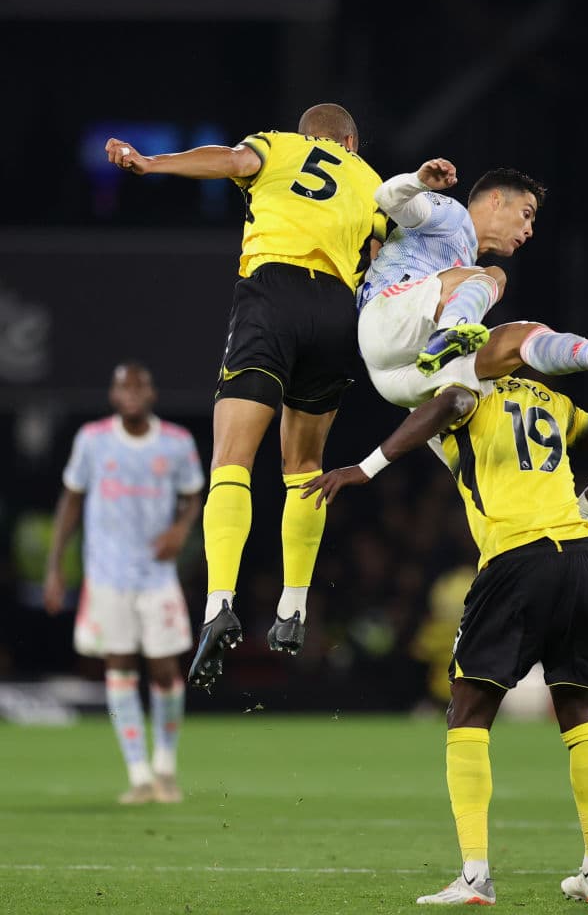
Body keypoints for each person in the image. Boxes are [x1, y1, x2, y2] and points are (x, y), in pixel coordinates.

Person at [302, 374, 588, 905]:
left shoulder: (470, 392)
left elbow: (455, 401)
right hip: (580, 557)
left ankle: (475, 875)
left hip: (515, 557)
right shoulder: (551, 399)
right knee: (579, 709)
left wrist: (364, 468)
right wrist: (583, 511)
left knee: (467, 712)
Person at [105, 104, 385, 684]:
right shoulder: (374, 183)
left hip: (273, 292)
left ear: (311, 135)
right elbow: (383, 262)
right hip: (337, 310)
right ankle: (295, 605)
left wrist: (151, 163)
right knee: (305, 465)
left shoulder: (279, 145)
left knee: (233, 456)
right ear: (351, 141)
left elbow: (232, 160)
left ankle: (219, 602)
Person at [357, 157, 588, 412]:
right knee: (493, 276)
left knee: (521, 338)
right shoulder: (453, 216)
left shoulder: (465, 272)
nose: (530, 230)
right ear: (495, 200)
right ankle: (450, 333)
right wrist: (418, 180)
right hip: (385, 320)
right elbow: (387, 197)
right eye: (526, 213)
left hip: (397, 376)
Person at [43, 362, 204, 804]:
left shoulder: (176, 442)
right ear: (113, 396)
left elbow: (194, 494)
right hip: (107, 575)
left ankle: (165, 767)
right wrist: (55, 567)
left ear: (151, 393)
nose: (131, 392)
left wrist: (180, 528)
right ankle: (138, 773)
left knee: (166, 668)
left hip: (156, 574)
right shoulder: (93, 440)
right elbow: (71, 502)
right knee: (118, 667)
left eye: (139, 385)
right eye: (122, 386)